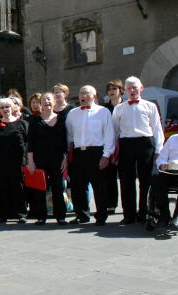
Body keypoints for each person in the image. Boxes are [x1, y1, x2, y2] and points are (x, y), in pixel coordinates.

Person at [112, 76, 164, 225]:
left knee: (145, 179)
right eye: (129, 88)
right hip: (126, 144)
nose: (132, 90)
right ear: (125, 91)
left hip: (145, 143)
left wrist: (158, 149)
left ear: (141, 89)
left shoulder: (150, 106)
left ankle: (144, 212)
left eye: (135, 87)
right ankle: (129, 214)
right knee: (126, 180)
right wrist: (112, 150)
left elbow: (157, 128)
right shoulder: (119, 108)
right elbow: (114, 131)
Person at [65, 85, 115, 225]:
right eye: (81, 93)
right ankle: (82, 215)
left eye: (86, 93)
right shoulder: (72, 113)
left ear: (94, 96)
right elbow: (69, 135)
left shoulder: (103, 112)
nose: (83, 96)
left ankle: (101, 215)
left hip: (96, 152)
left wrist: (106, 155)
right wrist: (68, 155)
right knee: (78, 186)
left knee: (99, 186)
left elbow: (109, 134)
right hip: (78, 152)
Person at [26, 92, 68, 224]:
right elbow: (30, 143)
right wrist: (30, 162)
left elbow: (65, 141)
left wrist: (65, 159)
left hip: (57, 159)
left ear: (54, 102)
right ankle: (41, 216)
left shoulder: (61, 119)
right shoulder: (35, 121)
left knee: (58, 188)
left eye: (49, 99)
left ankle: (60, 216)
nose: (46, 102)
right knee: (40, 189)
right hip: (39, 159)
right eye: (43, 100)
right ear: (40, 104)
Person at [0, 98, 28, 223]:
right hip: (0, 162)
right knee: (1, 188)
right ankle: (1, 214)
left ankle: (21, 214)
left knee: (18, 187)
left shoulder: (22, 124)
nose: (5, 110)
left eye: (7, 107)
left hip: (17, 162)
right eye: (2, 108)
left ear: (12, 107)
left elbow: (28, 144)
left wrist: (29, 161)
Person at [103, 79, 125, 215]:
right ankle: (111, 204)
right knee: (109, 177)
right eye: (110, 89)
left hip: (124, 145)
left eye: (114, 89)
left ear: (120, 91)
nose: (112, 91)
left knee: (125, 177)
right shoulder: (104, 108)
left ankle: (128, 206)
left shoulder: (127, 105)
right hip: (110, 145)